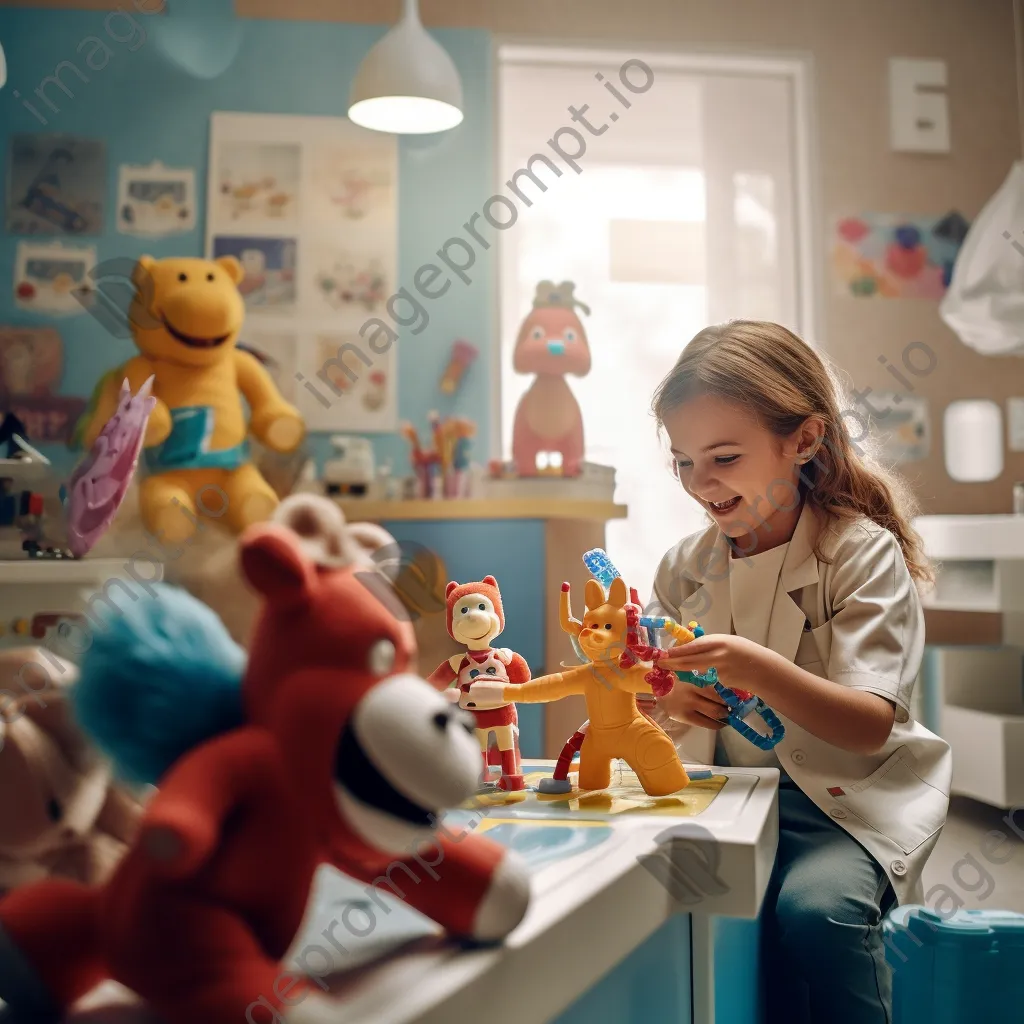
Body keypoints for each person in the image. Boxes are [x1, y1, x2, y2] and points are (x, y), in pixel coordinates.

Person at [644, 320, 951, 1024]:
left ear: (804, 440)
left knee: (817, 914)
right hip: (726, 790)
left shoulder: (859, 554)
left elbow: (870, 723)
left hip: (840, 808)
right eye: (684, 462)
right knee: (689, 908)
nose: (702, 482)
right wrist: (674, 697)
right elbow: (650, 688)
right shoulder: (684, 566)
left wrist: (756, 667)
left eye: (723, 456)